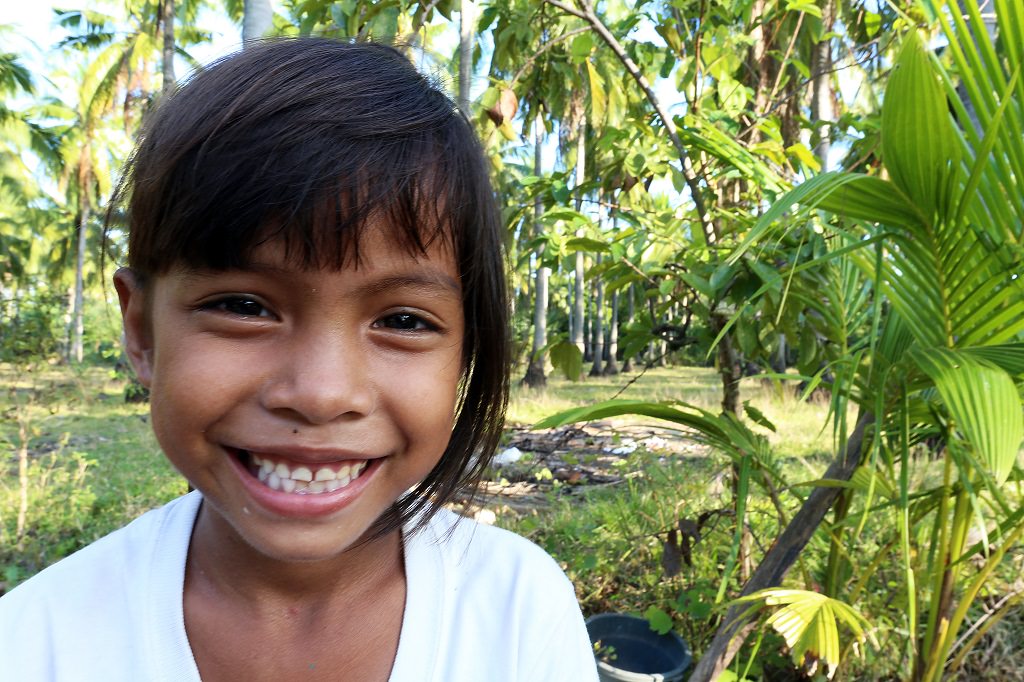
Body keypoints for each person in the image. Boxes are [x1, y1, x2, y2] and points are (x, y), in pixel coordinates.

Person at [0, 38, 598, 681]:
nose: (320, 393)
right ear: (142, 333)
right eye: (244, 307)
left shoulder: (516, 612)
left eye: (402, 321)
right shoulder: (38, 640)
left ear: (465, 354)